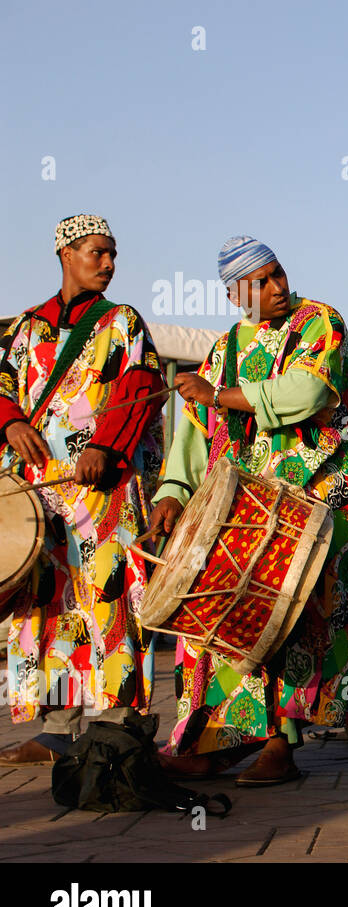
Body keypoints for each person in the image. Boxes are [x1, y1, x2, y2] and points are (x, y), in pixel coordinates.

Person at [148, 236, 348, 787]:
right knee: (228, 620)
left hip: (316, 497)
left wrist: (219, 395)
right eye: (260, 283)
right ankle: (215, 740)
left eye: (278, 274)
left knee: (297, 620)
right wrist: (173, 490)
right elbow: (195, 434)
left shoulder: (321, 323)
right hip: (245, 510)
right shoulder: (223, 350)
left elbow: (308, 392)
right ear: (234, 294)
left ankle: (282, 746)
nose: (277, 288)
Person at [0, 214, 166, 765]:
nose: (109, 264)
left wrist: (108, 447)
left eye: (113, 254)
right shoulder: (25, 328)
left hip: (103, 488)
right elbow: (2, 385)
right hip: (40, 489)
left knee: (110, 597)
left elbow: (142, 383)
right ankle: (54, 727)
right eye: (98, 252)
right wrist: (10, 423)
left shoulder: (121, 321)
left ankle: (119, 720)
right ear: (66, 253)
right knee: (47, 603)